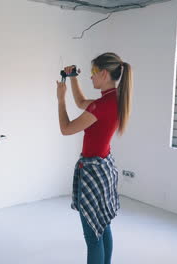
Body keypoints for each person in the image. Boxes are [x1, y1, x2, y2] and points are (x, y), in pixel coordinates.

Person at [56, 52, 132, 264]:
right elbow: (81, 102)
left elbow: (66, 128)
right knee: (103, 225)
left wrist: (60, 100)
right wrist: (72, 78)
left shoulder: (103, 106)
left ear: (104, 74)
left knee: (92, 237)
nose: (91, 77)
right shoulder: (114, 99)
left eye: (93, 72)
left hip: (92, 172)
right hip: (104, 167)